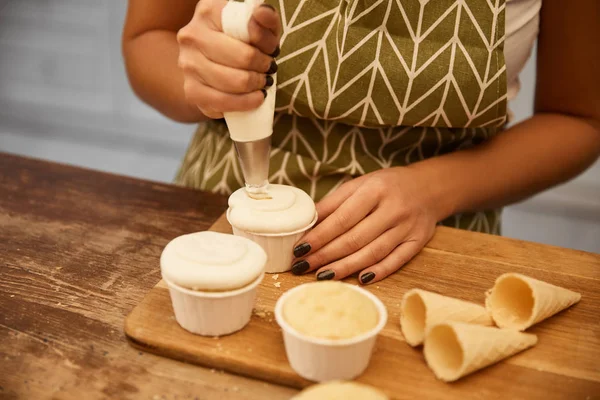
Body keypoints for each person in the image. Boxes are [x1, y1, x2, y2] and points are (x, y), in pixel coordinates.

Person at [122, 0, 600, 285]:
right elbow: (147, 38)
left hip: (434, 234)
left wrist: (433, 190)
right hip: (223, 207)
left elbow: (580, 119)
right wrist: (204, 82)